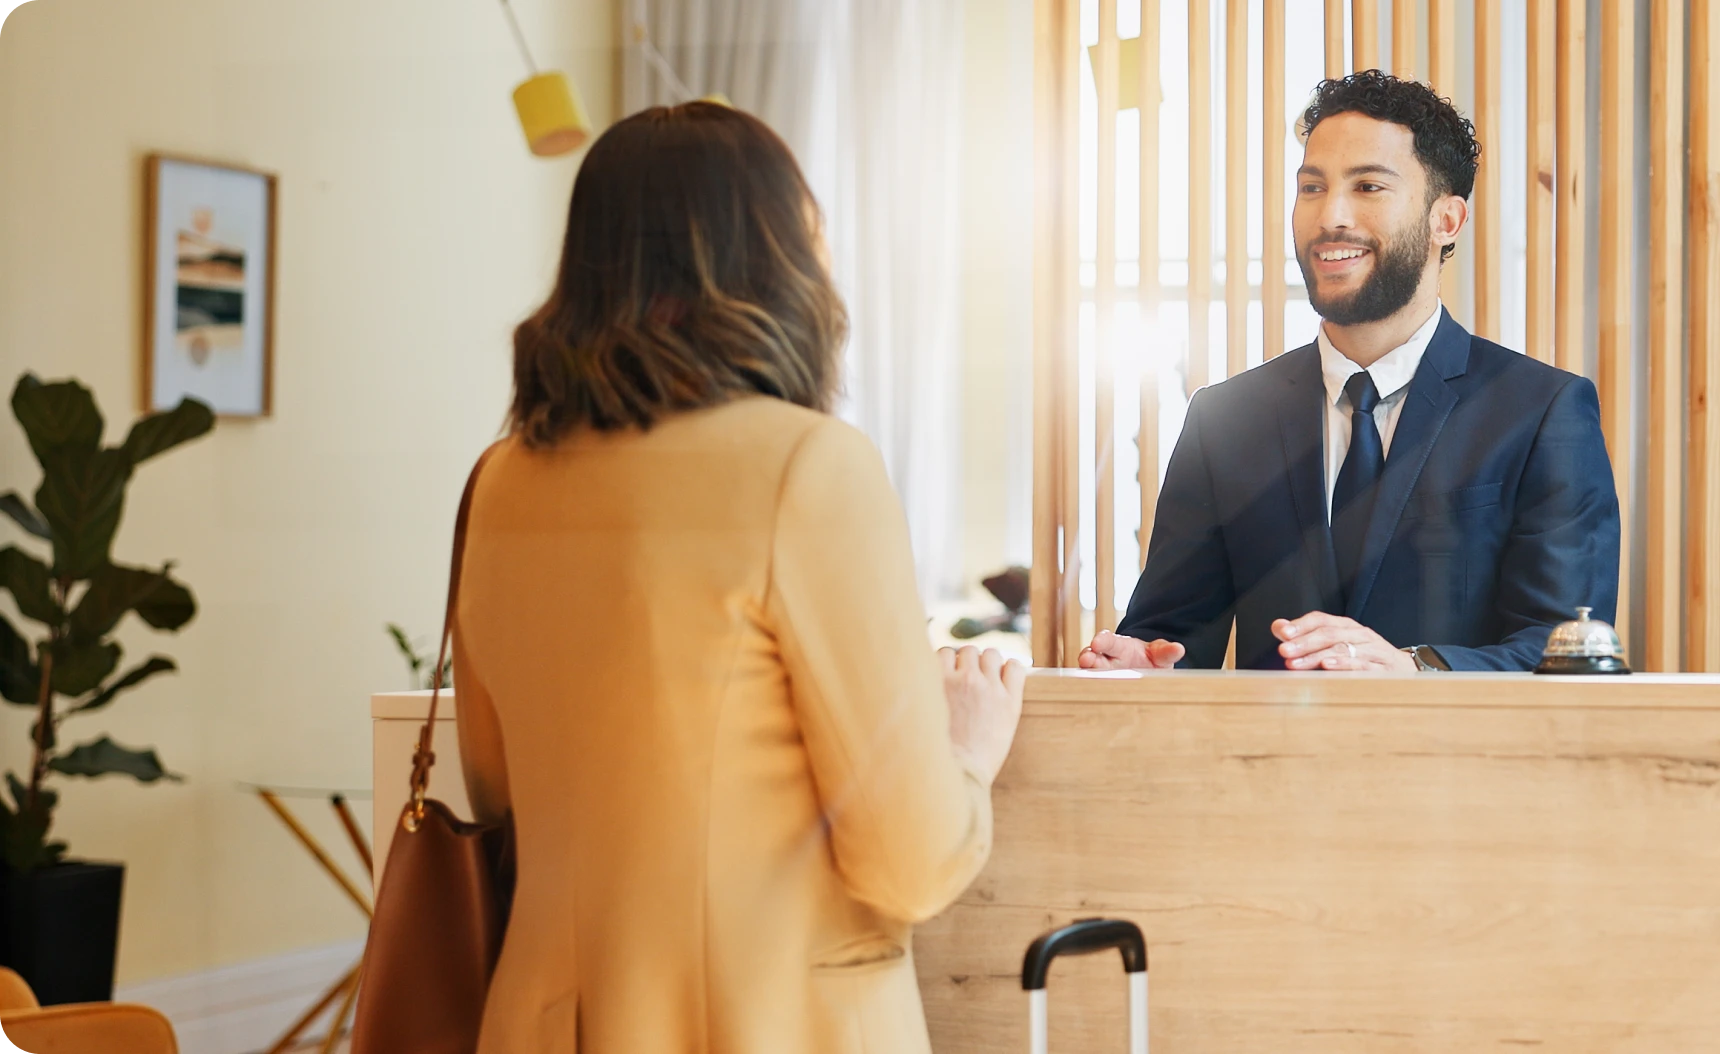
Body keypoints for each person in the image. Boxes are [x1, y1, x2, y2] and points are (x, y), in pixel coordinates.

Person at [450, 103, 1024, 1053]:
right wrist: (966, 749)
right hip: (759, 1026)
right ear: (777, 262)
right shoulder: (807, 468)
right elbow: (910, 862)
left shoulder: (501, 480)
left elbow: (496, 790)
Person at [1083, 71, 1619, 674]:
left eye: (1367, 186)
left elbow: (1568, 657)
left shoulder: (1541, 412)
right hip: (1264, 765)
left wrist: (1413, 670)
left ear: (1447, 220)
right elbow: (1172, 635)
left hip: (1458, 766)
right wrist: (1146, 662)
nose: (1330, 216)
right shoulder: (1224, 418)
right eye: (1312, 187)